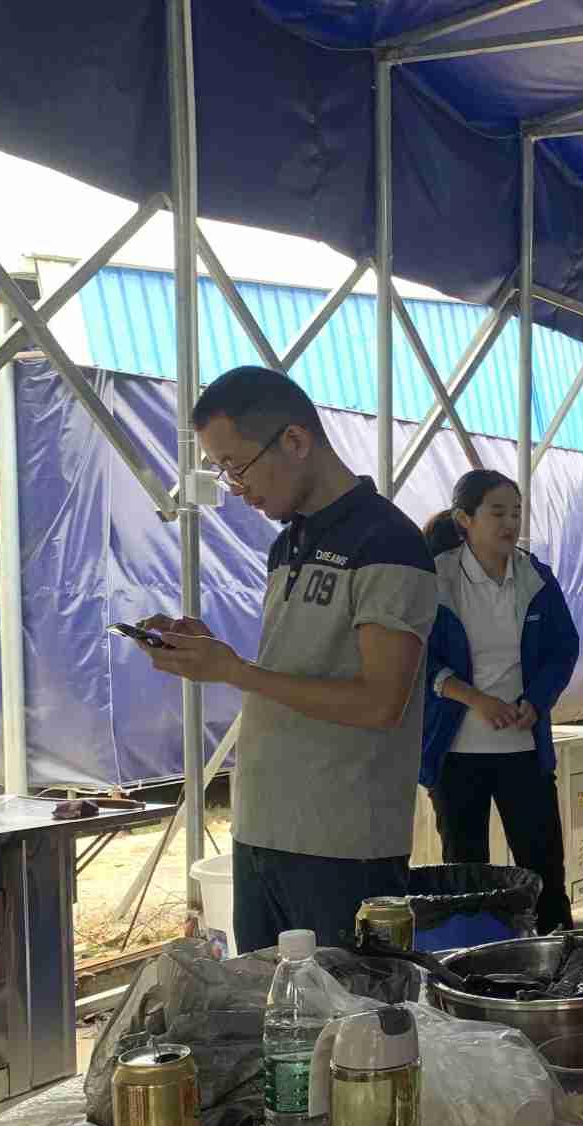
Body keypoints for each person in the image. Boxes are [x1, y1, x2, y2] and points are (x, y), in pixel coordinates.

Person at [139, 367, 438, 954]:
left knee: (345, 1006)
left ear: (295, 441)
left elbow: (381, 702)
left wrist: (234, 670)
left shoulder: (387, 542)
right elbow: (297, 663)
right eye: (222, 471)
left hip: (341, 843)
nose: (236, 487)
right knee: (269, 1003)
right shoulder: (288, 543)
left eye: (237, 466)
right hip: (262, 825)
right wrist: (208, 650)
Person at [419, 469, 581, 933]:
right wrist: (474, 699)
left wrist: (537, 701)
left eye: (516, 512)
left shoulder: (536, 577)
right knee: (465, 870)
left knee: (543, 864)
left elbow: (563, 649)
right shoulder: (436, 578)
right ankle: (475, 958)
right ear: (464, 519)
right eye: (497, 512)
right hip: (455, 750)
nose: (510, 522)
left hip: (522, 748)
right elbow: (414, 655)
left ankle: (558, 952)